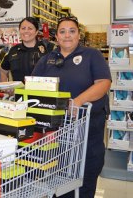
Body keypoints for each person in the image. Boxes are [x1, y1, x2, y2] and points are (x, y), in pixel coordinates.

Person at [32, 16, 111, 198]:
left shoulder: (92, 55)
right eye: (62, 31)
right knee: (56, 181)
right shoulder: (47, 60)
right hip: (55, 135)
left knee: (84, 181)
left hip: (86, 133)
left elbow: (103, 83)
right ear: (56, 37)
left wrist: (78, 101)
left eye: (72, 31)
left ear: (78, 35)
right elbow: (33, 86)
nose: (67, 35)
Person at [0, 17, 55, 82]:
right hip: (19, 91)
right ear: (19, 31)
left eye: (30, 28)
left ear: (36, 31)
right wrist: (5, 87)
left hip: (42, 91)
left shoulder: (49, 48)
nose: (26, 31)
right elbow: (3, 71)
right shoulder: (13, 50)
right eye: (23, 28)